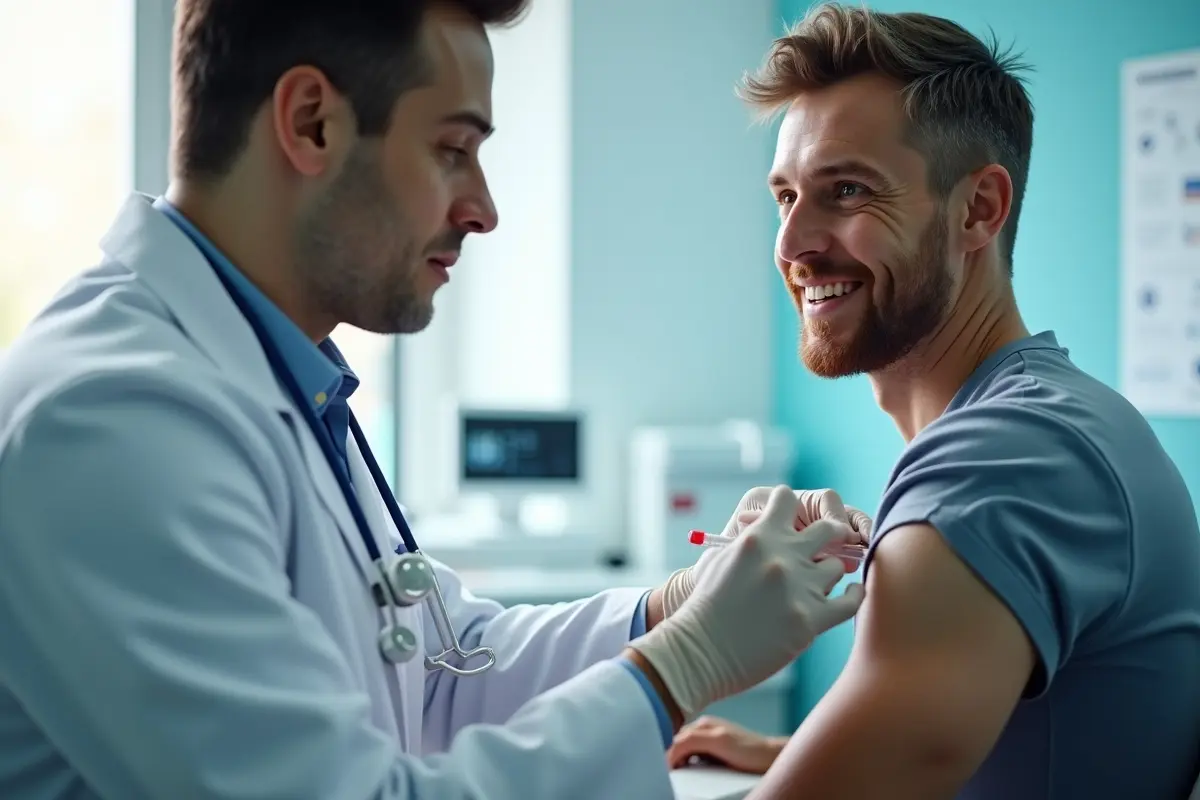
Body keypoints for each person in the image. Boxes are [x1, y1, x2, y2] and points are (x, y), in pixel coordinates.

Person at [0, 3, 870, 799]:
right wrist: (682, 664)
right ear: (311, 123)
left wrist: (679, 603)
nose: (483, 210)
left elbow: (443, 669)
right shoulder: (113, 422)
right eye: (453, 149)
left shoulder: (281, 377)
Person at [669, 4, 1200, 798]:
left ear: (978, 209)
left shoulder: (1009, 458)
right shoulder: (1048, 418)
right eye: (786, 197)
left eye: (847, 190)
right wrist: (793, 751)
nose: (792, 244)